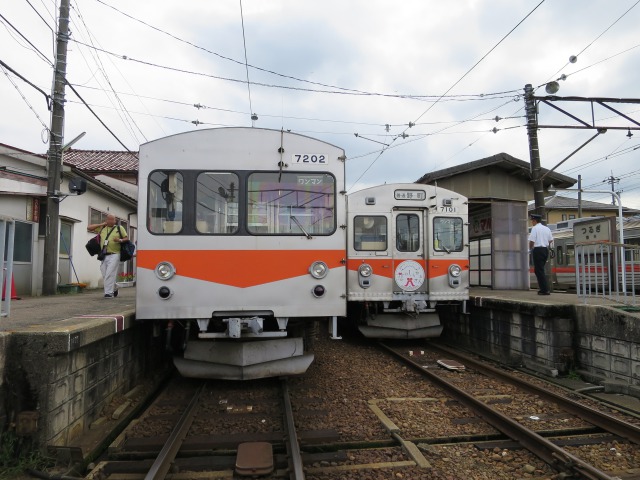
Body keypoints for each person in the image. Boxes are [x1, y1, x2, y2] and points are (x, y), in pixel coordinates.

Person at [88, 214, 128, 298]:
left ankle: (109, 293)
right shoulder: (103, 228)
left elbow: (126, 238)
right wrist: (101, 224)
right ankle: (115, 287)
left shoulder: (119, 228)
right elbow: (89, 228)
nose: (110, 221)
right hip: (104, 254)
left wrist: (119, 240)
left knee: (110, 273)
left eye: (112, 219)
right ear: (106, 220)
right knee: (104, 273)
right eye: (108, 219)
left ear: (115, 220)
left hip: (115, 254)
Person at [529, 214, 554, 295]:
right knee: (539, 270)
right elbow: (550, 240)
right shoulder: (547, 228)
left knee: (539, 270)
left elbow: (532, 241)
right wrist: (544, 242)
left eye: (532, 221)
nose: (532, 222)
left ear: (535, 221)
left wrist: (530, 248)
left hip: (538, 250)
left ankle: (545, 289)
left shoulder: (535, 228)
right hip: (545, 250)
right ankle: (544, 288)